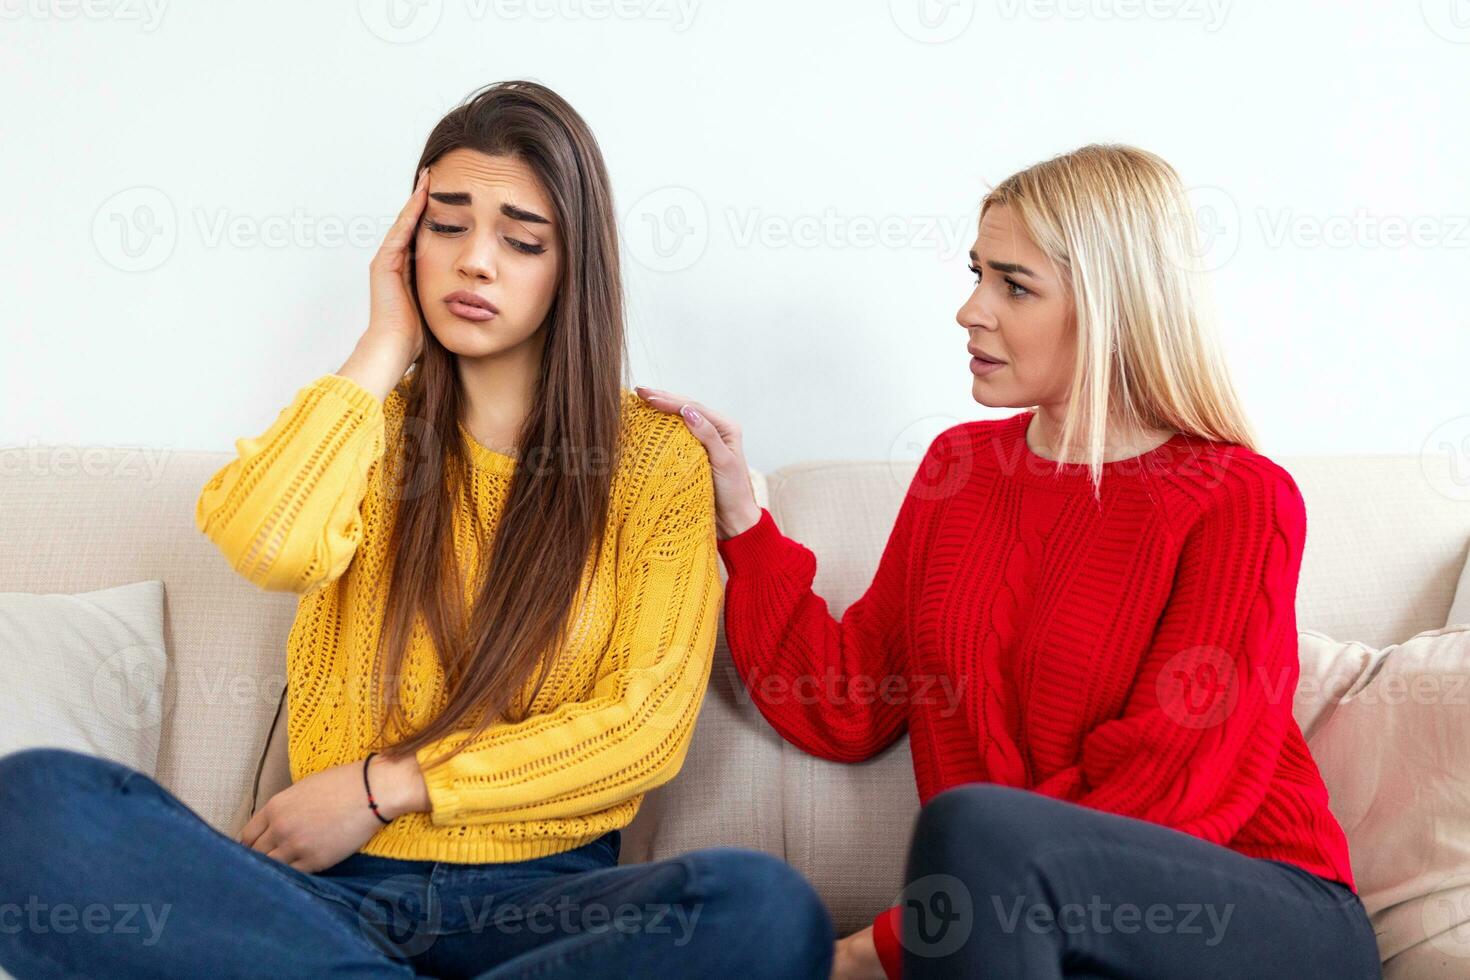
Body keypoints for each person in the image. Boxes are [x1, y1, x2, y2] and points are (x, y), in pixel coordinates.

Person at [0, 80, 833, 980]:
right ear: (406, 242)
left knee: (764, 909)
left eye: (521, 240)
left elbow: (640, 730)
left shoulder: (654, 460)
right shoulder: (363, 431)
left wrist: (382, 785)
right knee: (32, 802)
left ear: (573, 268)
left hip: (543, 906)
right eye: (446, 225)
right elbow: (269, 543)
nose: (477, 261)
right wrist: (379, 347)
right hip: (325, 905)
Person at [638, 144, 1383, 979]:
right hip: (1031, 927)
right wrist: (741, 515)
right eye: (976, 273)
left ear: (1112, 309)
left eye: (1013, 285)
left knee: (978, 827)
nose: (969, 309)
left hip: (1255, 908)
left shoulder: (1239, 495)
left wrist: (885, 943)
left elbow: (1177, 787)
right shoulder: (961, 468)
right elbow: (847, 702)